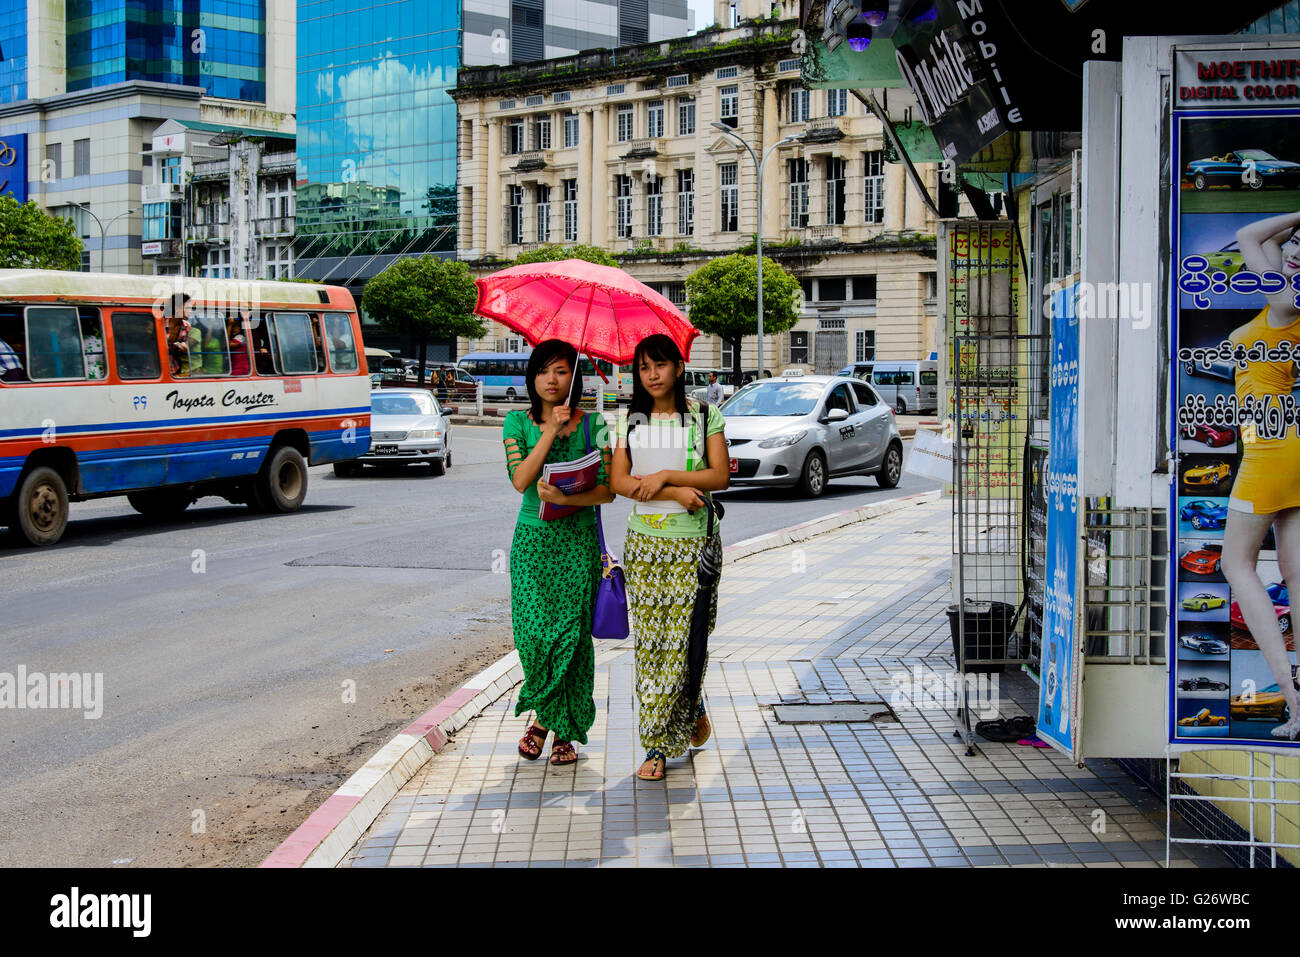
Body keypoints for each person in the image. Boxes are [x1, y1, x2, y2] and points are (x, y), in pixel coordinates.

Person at [610, 334, 730, 780]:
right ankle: (657, 745)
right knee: (654, 647)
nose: (652, 375)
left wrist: (664, 476)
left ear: (679, 367)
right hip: (644, 547)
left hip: (692, 548)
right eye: (644, 367)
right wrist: (675, 489)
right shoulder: (630, 420)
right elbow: (619, 480)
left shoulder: (704, 416)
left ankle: (690, 701)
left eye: (660, 365)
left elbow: (719, 475)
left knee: (687, 643)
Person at [501, 339, 614, 765]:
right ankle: (548, 716)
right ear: (533, 377)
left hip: (577, 543)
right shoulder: (516, 422)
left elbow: (608, 493)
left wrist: (569, 500)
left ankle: (559, 730)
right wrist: (549, 429)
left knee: (571, 638)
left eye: (562, 371)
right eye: (545, 370)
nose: (553, 379)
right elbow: (520, 479)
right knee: (533, 636)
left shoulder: (595, 425)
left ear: (574, 377)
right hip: (532, 544)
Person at [1226, 210, 1300, 739]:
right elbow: (1266, 245)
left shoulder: (1284, 304)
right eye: (1294, 246)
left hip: (1270, 452)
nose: (1291, 252)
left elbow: (1249, 235)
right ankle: (1298, 708)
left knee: (1236, 564)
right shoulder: (1283, 305)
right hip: (1283, 445)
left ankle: (1291, 695)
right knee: (1295, 578)